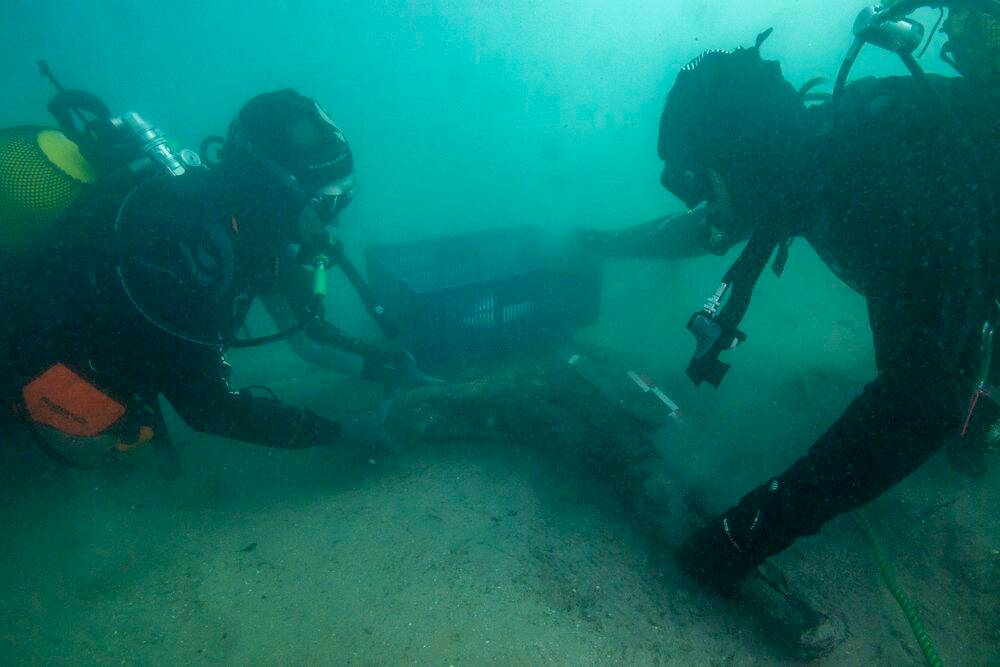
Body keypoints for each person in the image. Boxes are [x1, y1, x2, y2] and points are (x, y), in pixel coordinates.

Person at [588, 23, 997, 594]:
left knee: (949, 375)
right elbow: (698, 230)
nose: (707, 202)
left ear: (741, 155)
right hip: (969, 294)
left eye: (707, 181)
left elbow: (921, 404)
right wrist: (600, 244)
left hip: (968, 301)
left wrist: (751, 532)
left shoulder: (885, 189)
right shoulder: (810, 159)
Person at [1, 88, 436, 467]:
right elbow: (208, 410)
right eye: (327, 204)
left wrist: (395, 371)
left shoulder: (250, 233)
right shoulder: (187, 252)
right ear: (278, 192)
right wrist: (342, 434)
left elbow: (308, 336)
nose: (334, 223)